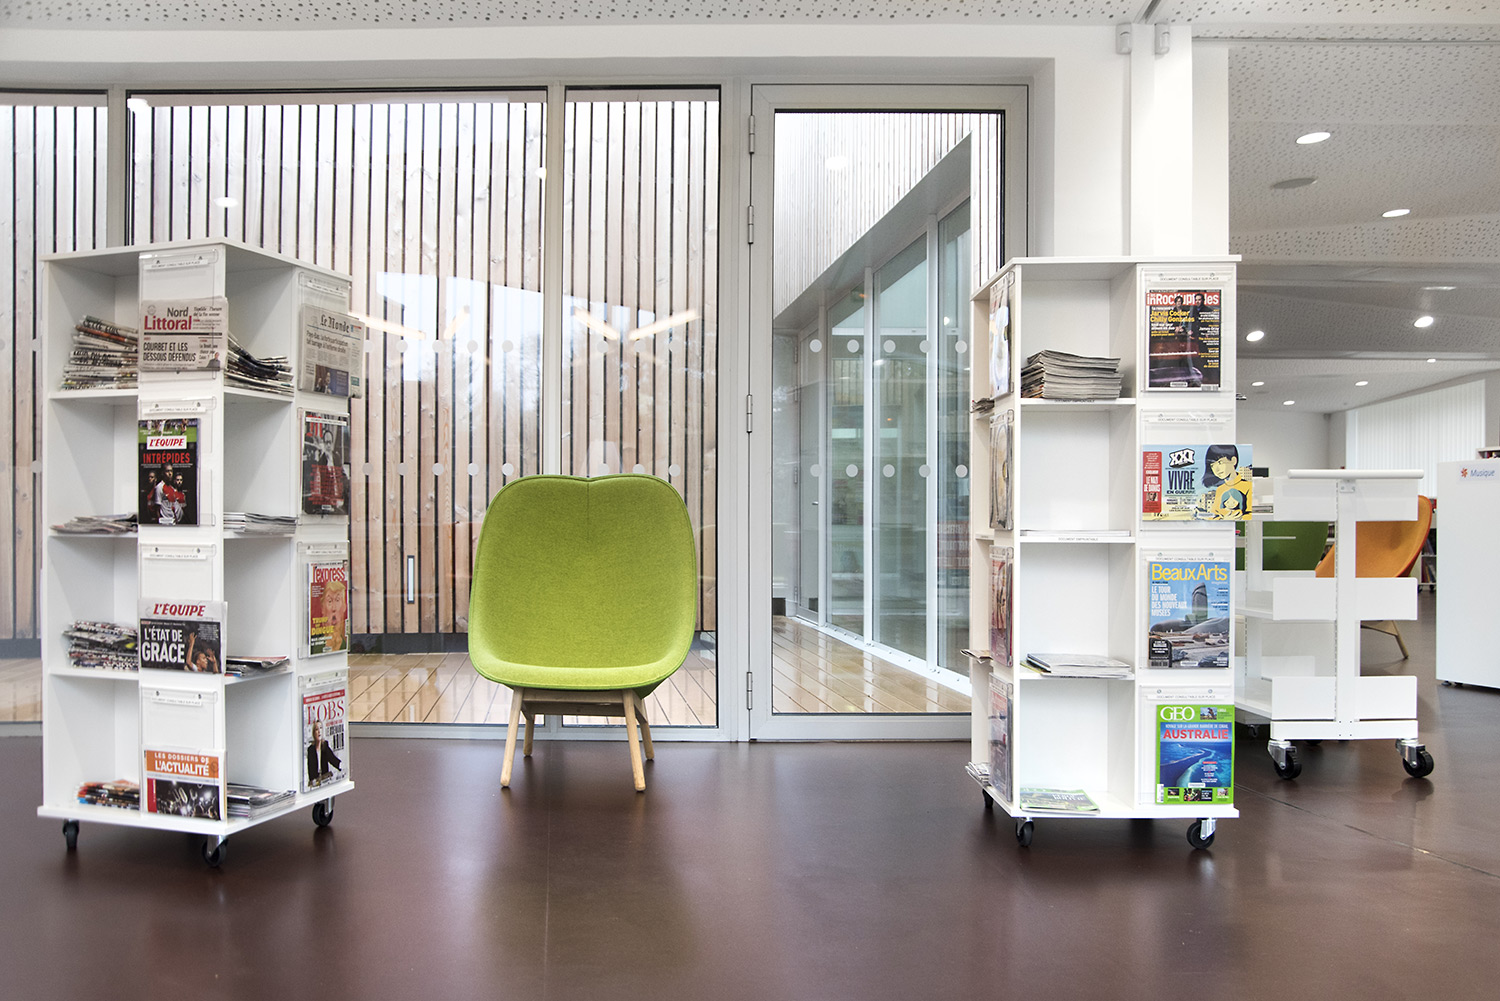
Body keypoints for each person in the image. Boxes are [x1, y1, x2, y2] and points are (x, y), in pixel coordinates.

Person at [1198, 444, 1251, 520]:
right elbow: (1213, 515)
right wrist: (1223, 520)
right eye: (1212, 465)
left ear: (1233, 461)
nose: (1216, 470)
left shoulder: (1248, 486)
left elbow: (1251, 514)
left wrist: (1237, 518)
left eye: (1220, 462)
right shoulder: (1220, 489)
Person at [306, 720, 342, 787]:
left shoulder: (325, 745)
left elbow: (332, 759)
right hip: (315, 782)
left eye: (320, 728)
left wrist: (341, 766)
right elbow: (310, 769)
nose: (319, 731)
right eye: (316, 729)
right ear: (314, 733)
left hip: (325, 780)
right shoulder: (311, 749)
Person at [318, 577, 349, 653]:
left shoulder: (347, 642)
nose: (334, 608)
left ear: (344, 606)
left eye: (337, 600)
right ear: (323, 607)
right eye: (329, 601)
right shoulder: (315, 643)